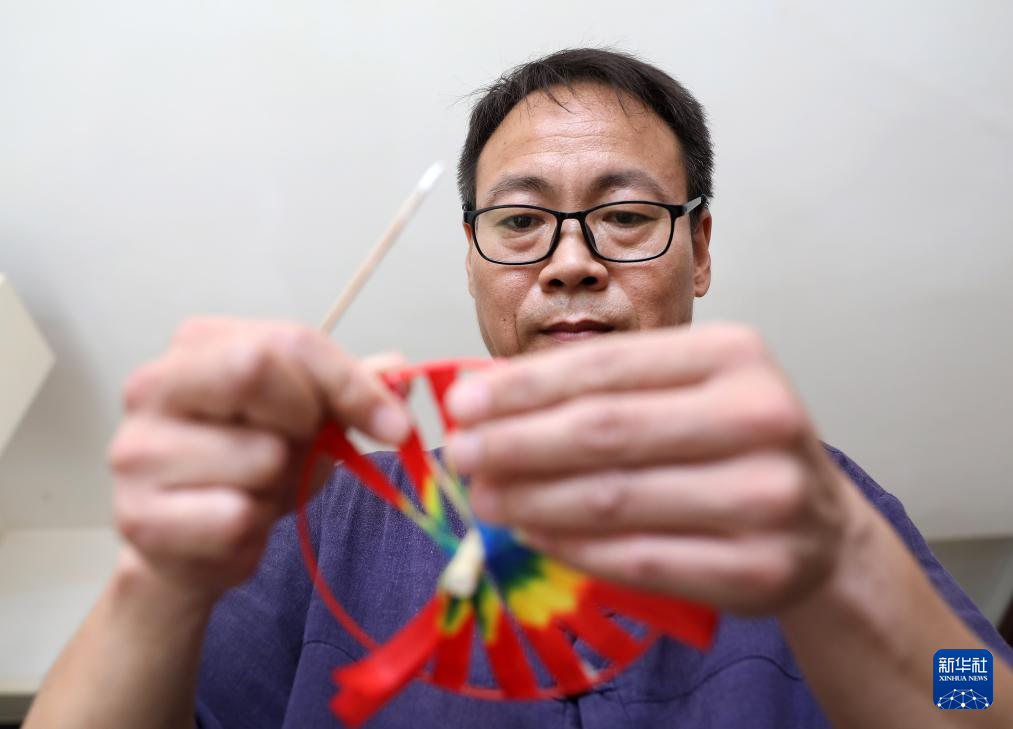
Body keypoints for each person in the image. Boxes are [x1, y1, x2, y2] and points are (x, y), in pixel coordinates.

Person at [24, 48, 1013, 729]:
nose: (569, 262)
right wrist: (158, 582)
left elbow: (974, 695)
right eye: (519, 223)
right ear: (471, 259)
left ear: (699, 249)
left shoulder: (820, 501)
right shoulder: (328, 515)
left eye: (625, 215)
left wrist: (849, 569)